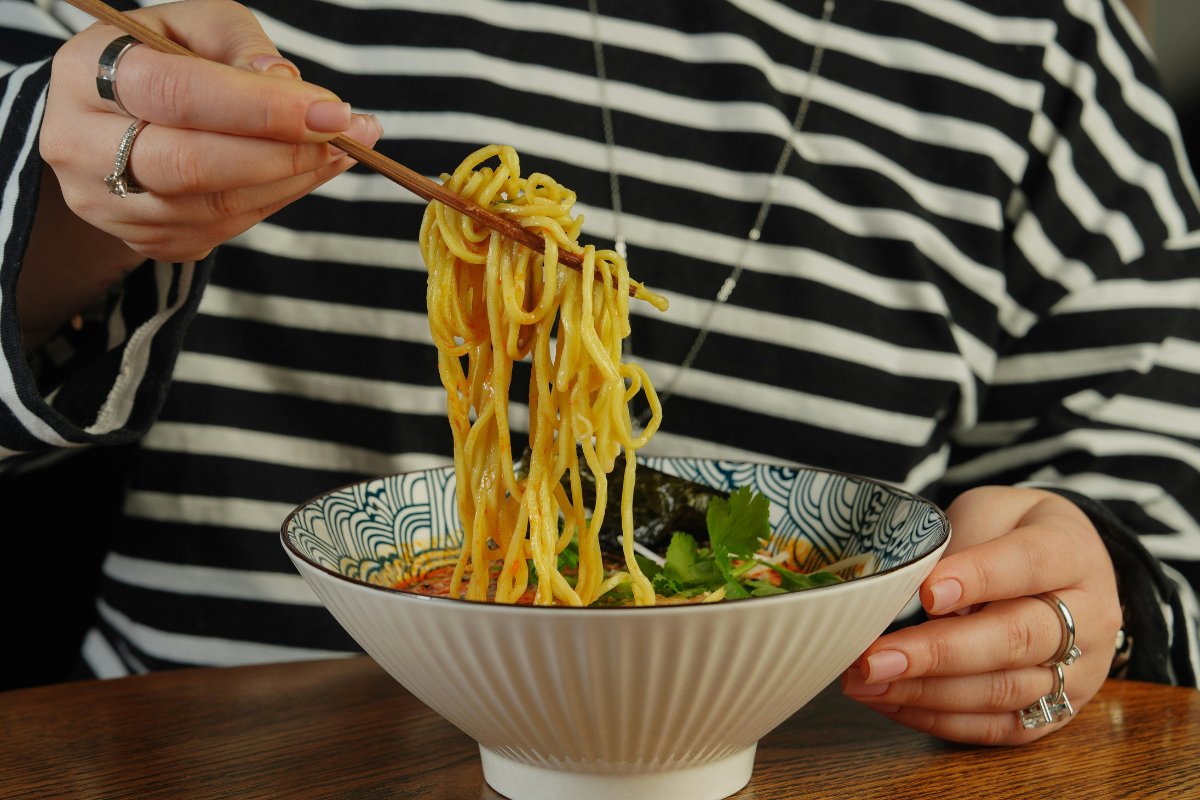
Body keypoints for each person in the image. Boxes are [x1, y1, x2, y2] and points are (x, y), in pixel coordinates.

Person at [2, 0, 1197, 746]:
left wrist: (1087, 594)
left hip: (832, 761)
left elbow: (1159, 490)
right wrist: (63, 214)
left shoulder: (1040, 44)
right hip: (215, 759)